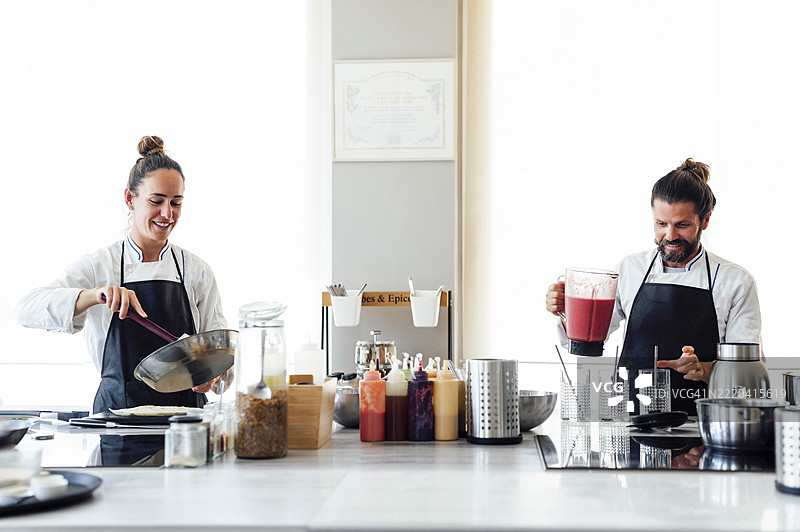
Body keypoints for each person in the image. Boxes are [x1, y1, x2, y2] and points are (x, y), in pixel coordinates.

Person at [17, 136, 228, 413]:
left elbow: (221, 361)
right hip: (115, 421)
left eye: (176, 203)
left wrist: (213, 377)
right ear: (130, 198)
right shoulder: (99, 265)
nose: (167, 213)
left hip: (185, 425)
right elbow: (26, 309)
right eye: (156, 201)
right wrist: (94, 295)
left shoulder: (197, 271)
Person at [545, 158, 762, 415]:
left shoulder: (735, 281)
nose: (670, 236)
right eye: (661, 224)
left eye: (682, 225)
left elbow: (747, 375)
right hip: (631, 422)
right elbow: (587, 341)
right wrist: (565, 309)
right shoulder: (629, 269)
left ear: (704, 221)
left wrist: (704, 369)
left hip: (702, 428)